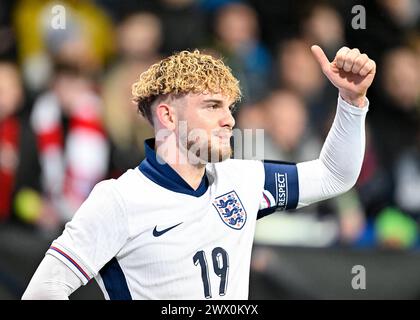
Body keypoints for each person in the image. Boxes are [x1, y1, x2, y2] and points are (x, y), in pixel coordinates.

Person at [22, 46, 376, 299]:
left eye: (229, 106)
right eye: (212, 106)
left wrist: (352, 102)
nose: (230, 119)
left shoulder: (243, 179)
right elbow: (44, 290)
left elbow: (334, 175)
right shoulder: (119, 199)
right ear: (168, 116)